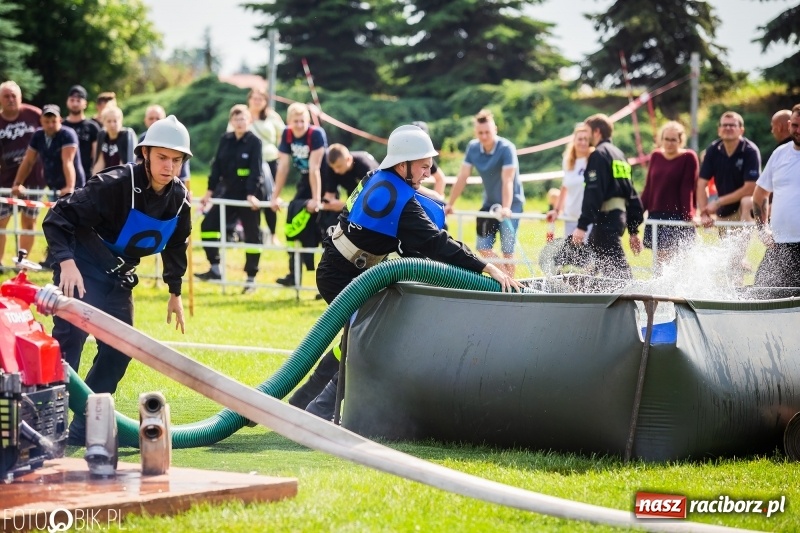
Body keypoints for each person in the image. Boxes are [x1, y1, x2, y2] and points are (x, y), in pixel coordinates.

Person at [293, 124, 521, 420]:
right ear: (403, 165)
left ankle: (301, 403)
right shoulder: (404, 204)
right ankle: (318, 412)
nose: (428, 173)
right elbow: (437, 243)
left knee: (355, 339)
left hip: (342, 268)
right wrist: (486, 265)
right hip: (345, 275)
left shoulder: (377, 177)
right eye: (424, 167)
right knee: (367, 341)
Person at [42, 115, 193, 445]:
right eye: (162, 158)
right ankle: (47, 426)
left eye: (176, 160)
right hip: (80, 267)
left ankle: (85, 425)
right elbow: (57, 216)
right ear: (146, 154)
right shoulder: (113, 183)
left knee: (120, 349)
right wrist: (66, 263)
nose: (169, 166)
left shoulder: (180, 199)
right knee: (69, 345)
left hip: (119, 277)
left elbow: (178, 245)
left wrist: (175, 292)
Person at [196, 105, 266, 293]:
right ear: (231, 121)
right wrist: (209, 192)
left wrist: (251, 194)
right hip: (227, 193)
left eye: (243, 119)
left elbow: (256, 171)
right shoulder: (225, 140)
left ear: (249, 121)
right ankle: (215, 268)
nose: (239, 122)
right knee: (208, 226)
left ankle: (251, 278)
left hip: (249, 196)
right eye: (236, 119)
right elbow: (217, 167)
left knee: (252, 236)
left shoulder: (255, 142)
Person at [445, 109, 524, 276]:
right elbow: (462, 177)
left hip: (512, 203)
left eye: (487, 132)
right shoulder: (473, 148)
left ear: (495, 130)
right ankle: (505, 279)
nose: (484, 136)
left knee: (507, 251)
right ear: (476, 132)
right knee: (483, 247)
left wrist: (506, 207)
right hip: (489, 203)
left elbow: (508, 180)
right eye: (480, 133)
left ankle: (511, 290)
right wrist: (450, 204)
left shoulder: (506, 148)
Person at [570, 113, 644, 279]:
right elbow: (632, 195)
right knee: (594, 272)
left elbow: (593, 194)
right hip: (617, 219)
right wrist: (633, 230)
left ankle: (633, 300)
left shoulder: (598, 155)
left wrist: (582, 226)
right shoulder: (620, 155)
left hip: (606, 221)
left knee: (620, 275)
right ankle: (591, 300)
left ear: (596, 132)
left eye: (587, 131)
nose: (585, 134)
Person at [696, 111, 761, 280]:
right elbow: (701, 183)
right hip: (724, 212)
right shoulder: (713, 150)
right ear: (719, 130)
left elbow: (750, 188)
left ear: (741, 130)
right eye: (724, 125)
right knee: (729, 264)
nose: (728, 128)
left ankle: (743, 258)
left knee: (747, 201)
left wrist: (717, 202)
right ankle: (733, 289)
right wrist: (704, 213)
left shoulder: (750, 151)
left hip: (745, 209)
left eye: (733, 125)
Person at [270, 102, 327, 287]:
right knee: (292, 223)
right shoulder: (287, 134)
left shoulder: (316, 134)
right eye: (296, 121)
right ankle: (293, 273)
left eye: (302, 121)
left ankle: (326, 279)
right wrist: (274, 196)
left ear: (308, 121)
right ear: (289, 121)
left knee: (323, 228)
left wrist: (317, 200)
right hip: (304, 181)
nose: (299, 125)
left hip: (323, 181)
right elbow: (283, 167)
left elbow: (315, 168)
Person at [752, 104, 800, 290]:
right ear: (789, 124)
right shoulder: (780, 154)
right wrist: (762, 230)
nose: (798, 130)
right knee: (759, 295)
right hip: (779, 246)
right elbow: (759, 195)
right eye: (795, 125)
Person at [639, 121, 698, 271]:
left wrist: (688, 216)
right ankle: (658, 295)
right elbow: (649, 188)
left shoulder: (688, 157)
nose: (669, 143)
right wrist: (636, 212)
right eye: (666, 139)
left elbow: (687, 188)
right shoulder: (656, 156)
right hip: (655, 216)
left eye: (673, 140)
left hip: (676, 217)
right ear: (661, 139)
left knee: (674, 266)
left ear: (680, 140)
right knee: (659, 265)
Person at [0, 80, 45, 267]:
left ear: (20, 97)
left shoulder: (34, 114)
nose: (11, 99)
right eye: (6, 96)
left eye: (14, 95)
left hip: (34, 178)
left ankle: (21, 262)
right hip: (5, 180)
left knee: (29, 222)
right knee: (1, 222)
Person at [12, 104, 86, 208]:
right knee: (56, 221)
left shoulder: (68, 134)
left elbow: (67, 161)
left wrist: (69, 187)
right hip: (54, 188)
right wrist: (17, 184)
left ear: (60, 120)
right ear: (41, 121)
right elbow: (28, 161)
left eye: (54, 121)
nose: (50, 125)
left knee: (75, 221)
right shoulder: (38, 135)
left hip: (75, 188)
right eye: (47, 121)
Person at [245, 88, 284, 245]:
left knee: (271, 197)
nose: (257, 101)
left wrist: (282, 152)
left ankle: (273, 234)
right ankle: (254, 234)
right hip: (249, 164)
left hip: (270, 160)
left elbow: (285, 134)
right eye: (254, 98)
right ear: (249, 99)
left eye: (260, 98)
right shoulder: (243, 115)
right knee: (254, 197)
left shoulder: (272, 116)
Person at [547, 123, 595, 237]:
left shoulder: (594, 159)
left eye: (586, 139)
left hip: (588, 218)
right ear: (574, 140)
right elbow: (565, 186)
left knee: (588, 253)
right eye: (580, 139)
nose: (583, 142)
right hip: (570, 217)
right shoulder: (568, 161)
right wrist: (557, 210)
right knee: (570, 253)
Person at [138, 105, 190, 187]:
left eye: (157, 118)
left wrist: (186, 193)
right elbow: (138, 164)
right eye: (151, 118)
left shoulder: (178, 137)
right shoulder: (143, 139)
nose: (154, 121)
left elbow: (184, 175)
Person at [62, 85, 100, 181]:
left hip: (87, 179)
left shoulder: (93, 127)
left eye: (78, 100)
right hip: (62, 180)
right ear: (67, 101)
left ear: (85, 103)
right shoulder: (61, 126)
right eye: (72, 100)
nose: (75, 104)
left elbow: (96, 156)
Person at [93, 105, 137, 174]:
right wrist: (94, 180)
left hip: (121, 177)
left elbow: (124, 165)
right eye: (109, 121)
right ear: (103, 122)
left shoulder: (126, 135)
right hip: (105, 178)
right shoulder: (102, 135)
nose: (112, 124)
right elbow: (99, 162)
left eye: (115, 121)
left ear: (120, 121)